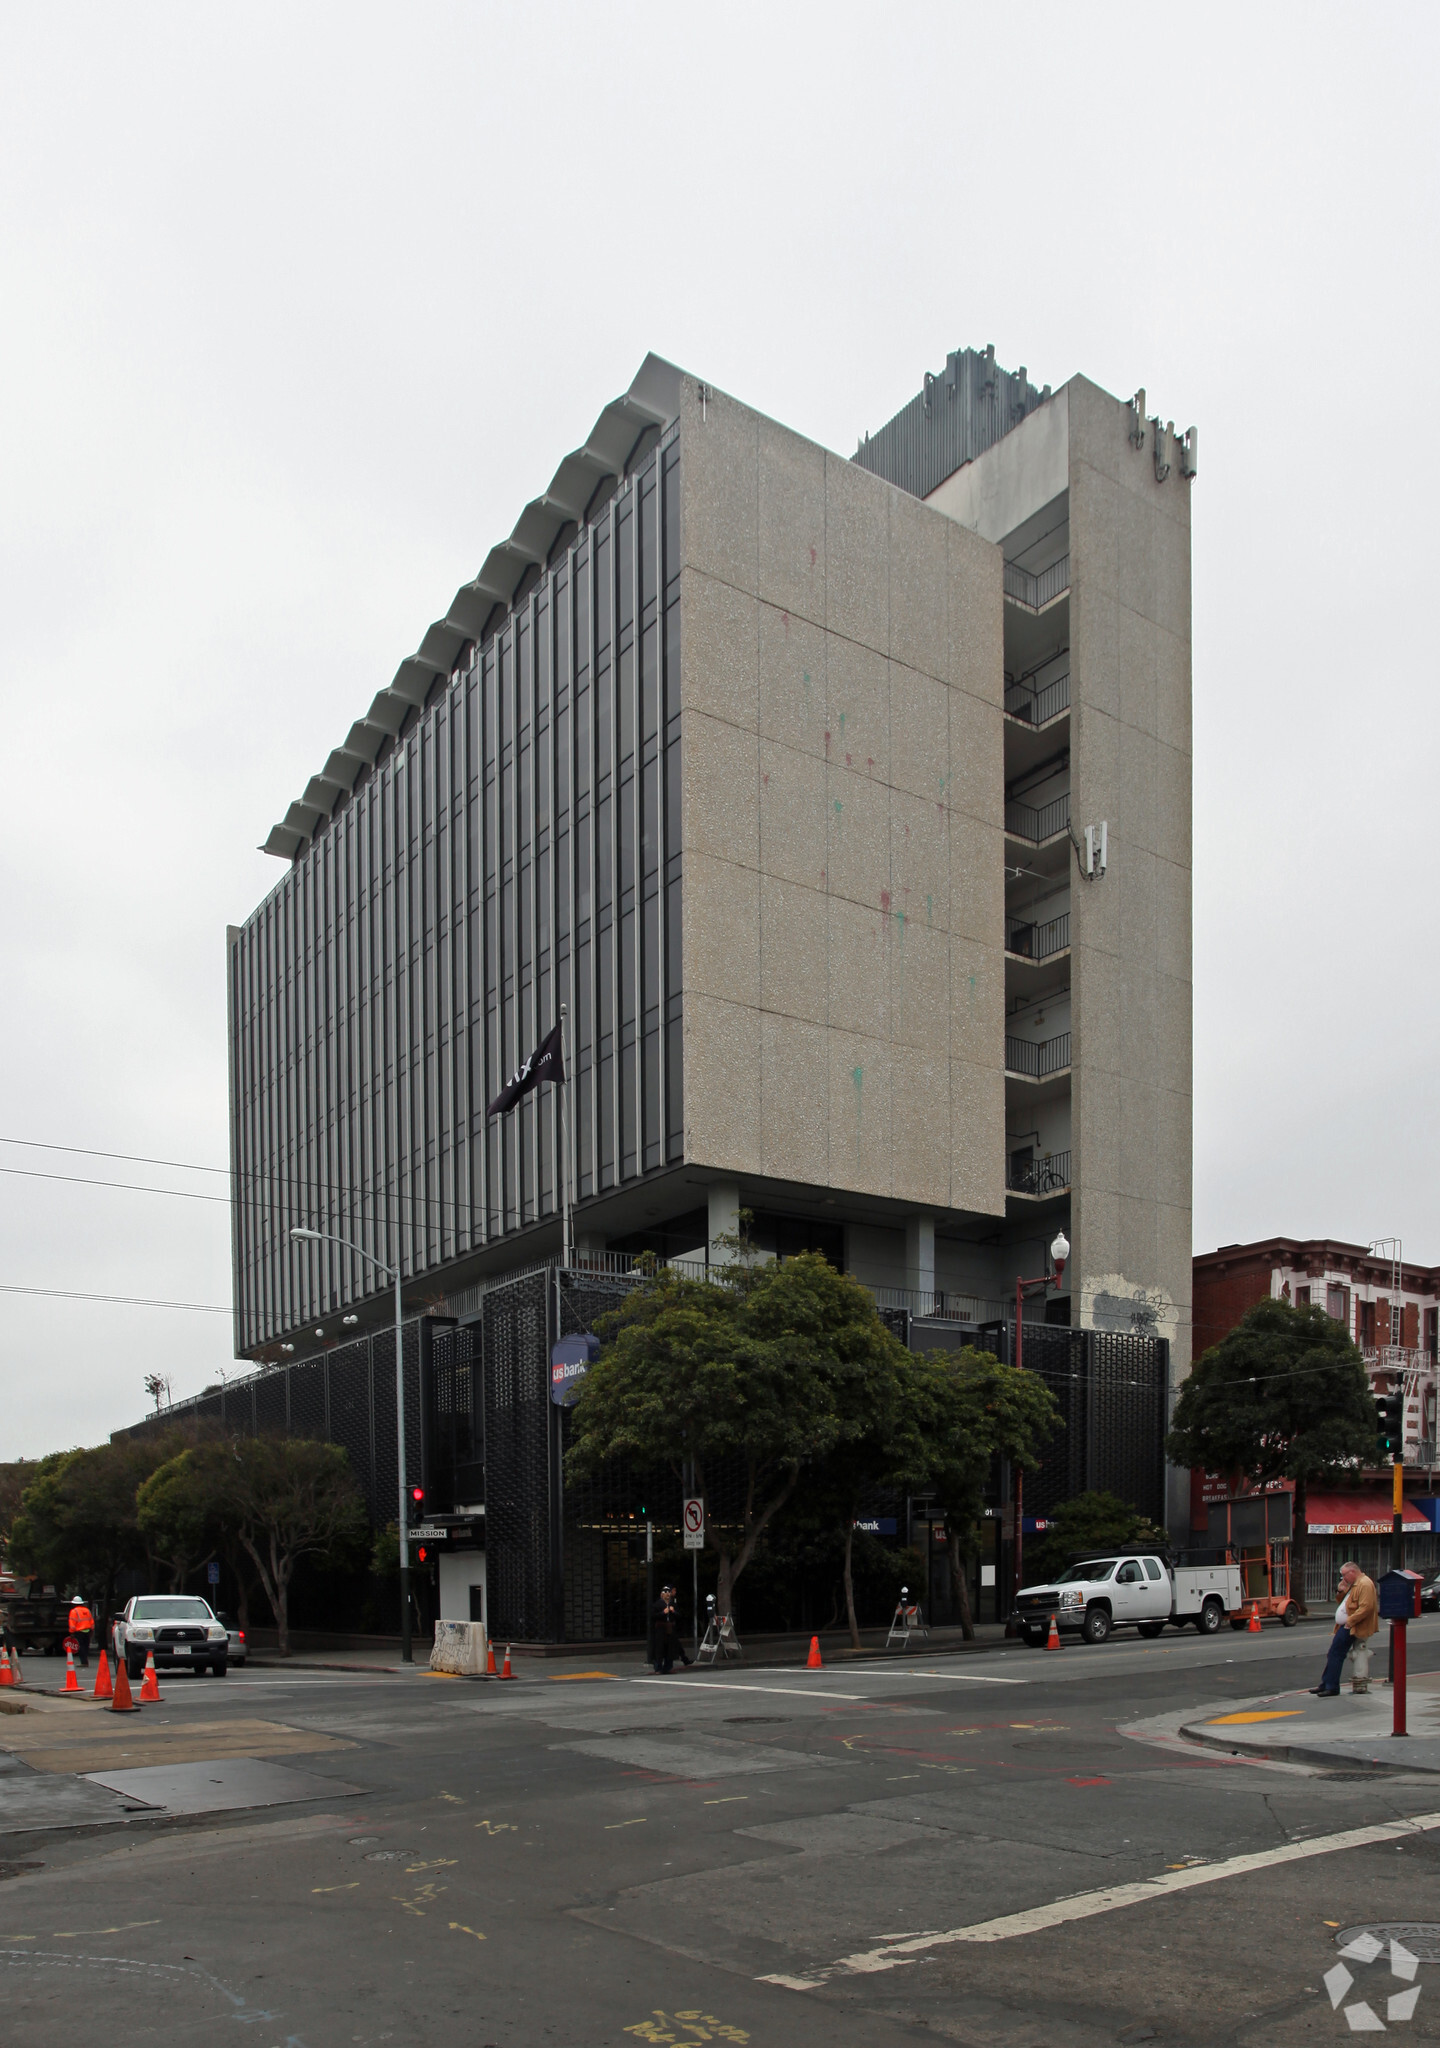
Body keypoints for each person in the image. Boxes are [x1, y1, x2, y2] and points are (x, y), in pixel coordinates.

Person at [1310, 1561, 1378, 1697]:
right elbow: (1344, 1602)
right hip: (1348, 1625)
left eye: (1344, 1575)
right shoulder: (1355, 1584)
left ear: (1352, 1572)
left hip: (1353, 1626)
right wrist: (1341, 1590)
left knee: (1336, 1653)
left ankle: (1331, 1686)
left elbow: (1366, 1607)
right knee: (1333, 1653)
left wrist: (1350, 1622)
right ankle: (1326, 1684)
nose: (1343, 1578)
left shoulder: (1364, 1584)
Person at [652, 1584, 691, 1675]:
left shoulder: (673, 1604)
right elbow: (653, 1616)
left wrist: (674, 1612)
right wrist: (663, 1613)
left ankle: (668, 1667)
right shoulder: (657, 1604)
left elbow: (679, 1616)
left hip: (671, 1628)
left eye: (669, 1592)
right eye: (665, 1592)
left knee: (670, 1648)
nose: (667, 1594)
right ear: (662, 1594)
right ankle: (658, 1668)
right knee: (660, 1648)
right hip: (661, 1628)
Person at [67, 1594, 95, 1669]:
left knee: (81, 1647)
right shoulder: (87, 1610)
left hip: (79, 1632)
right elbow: (91, 1621)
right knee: (86, 1646)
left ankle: (84, 1662)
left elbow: (72, 1624)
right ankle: (85, 1661)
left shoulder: (74, 1611)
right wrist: (92, 1630)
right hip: (87, 1631)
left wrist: (72, 1632)